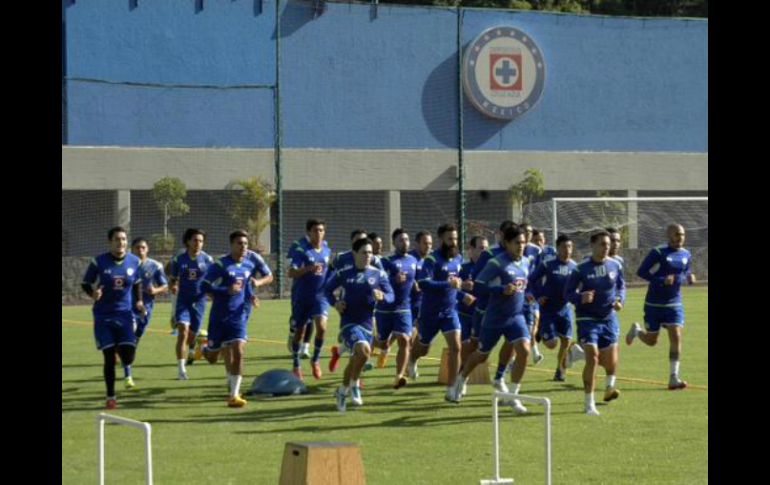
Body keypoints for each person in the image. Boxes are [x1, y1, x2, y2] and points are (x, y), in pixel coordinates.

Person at [449, 226, 531, 414]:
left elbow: (526, 285)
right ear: (507, 243)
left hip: (516, 317)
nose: (521, 246)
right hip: (494, 317)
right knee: (481, 355)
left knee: (524, 351)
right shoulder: (496, 263)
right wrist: (501, 290)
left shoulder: (526, 262)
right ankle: (461, 378)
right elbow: (478, 286)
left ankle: (513, 397)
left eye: (523, 242)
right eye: (517, 243)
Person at [200, 230, 269, 407]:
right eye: (239, 243)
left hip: (238, 316)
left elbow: (245, 285)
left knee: (239, 350)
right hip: (219, 317)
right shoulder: (220, 264)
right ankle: (204, 349)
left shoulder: (248, 264)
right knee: (213, 358)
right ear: (231, 245)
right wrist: (225, 291)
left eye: (245, 243)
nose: (243, 247)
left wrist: (251, 295)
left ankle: (234, 394)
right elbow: (203, 286)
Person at [325, 238, 394, 411]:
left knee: (356, 360)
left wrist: (383, 297)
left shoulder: (378, 274)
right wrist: (335, 303)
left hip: (368, 324)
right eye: (364, 252)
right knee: (363, 352)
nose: (368, 255)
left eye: (370, 252)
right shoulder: (344, 272)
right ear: (354, 253)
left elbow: (391, 295)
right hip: (349, 323)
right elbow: (326, 290)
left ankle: (342, 391)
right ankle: (355, 386)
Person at [81, 226, 145, 409]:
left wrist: (139, 301)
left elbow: (137, 283)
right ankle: (111, 397)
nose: (121, 242)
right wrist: (93, 293)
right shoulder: (99, 261)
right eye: (117, 239)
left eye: (123, 239)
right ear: (110, 242)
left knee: (128, 356)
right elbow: (85, 283)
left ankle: (120, 349)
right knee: (109, 357)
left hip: (125, 314)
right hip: (103, 315)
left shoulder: (134, 261)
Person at [408, 223, 473, 402]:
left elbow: (455, 285)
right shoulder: (432, 259)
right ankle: (412, 359)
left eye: (455, 238)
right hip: (430, 313)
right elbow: (423, 283)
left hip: (450, 311)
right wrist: (448, 284)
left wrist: (463, 293)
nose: (453, 242)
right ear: (441, 239)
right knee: (423, 348)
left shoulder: (458, 258)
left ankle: (451, 389)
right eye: (449, 238)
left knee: (456, 347)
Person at [626, 224, 695, 390]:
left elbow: (685, 271)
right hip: (654, 303)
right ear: (668, 235)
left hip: (674, 303)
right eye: (677, 234)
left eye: (682, 234)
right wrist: (662, 280)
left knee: (676, 335)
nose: (680, 237)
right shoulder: (658, 252)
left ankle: (674, 377)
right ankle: (637, 331)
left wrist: (689, 276)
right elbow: (642, 272)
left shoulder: (686, 254)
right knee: (652, 341)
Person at [565, 231, 625, 416]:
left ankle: (608, 387)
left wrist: (620, 300)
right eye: (602, 244)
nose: (606, 247)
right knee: (593, 359)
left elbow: (621, 286)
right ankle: (589, 403)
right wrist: (580, 297)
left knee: (610, 362)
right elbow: (567, 293)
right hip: (587, 319)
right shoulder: (580, 269)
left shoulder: (615, 264)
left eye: (608, 244)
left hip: (608, 318)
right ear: (592, 245)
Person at [287, 218, 333, 381]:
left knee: (322, 327)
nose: (318, 233)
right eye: (315, 230)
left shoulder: (327, 249)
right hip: (303, 296)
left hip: (321, 297)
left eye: (321, 230)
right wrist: (308, 269)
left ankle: (316, 360)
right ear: (308, 232)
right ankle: (296, 365)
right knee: (299, 333)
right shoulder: (302, 250)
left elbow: (328, 271)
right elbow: (291, 272)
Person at [373, 229, 419, 388]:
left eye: (406, 239)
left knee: (405, 340)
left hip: (404, 308)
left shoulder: (413, 260)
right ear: (394, 243)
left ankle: (399, 376)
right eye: (401, 240)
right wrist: (393, 280)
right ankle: (365, 341)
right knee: (382, 344)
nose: (405, 242)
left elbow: (414, 278)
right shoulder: (386, 261)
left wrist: (415, 284)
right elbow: (378, 282)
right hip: (385, 309)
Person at [528, 234, 577, 382]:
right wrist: (538, 296)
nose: (567, 250)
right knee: (551, 344)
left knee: (566, 341)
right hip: (548, 309)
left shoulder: (575, 267)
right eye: (564, 247)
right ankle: (541, 332)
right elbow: (531, 280)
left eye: (570, 247)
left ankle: (560, 371)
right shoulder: (548, 264)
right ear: (557, 248)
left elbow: (580, 286)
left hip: (565, 309)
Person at [123, 237, 169, 388]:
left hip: (146, 308)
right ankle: (128, 376)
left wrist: (155, 290)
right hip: (128, 306)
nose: (140, 250)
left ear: (147, 249)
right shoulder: (125, 264)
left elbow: (165, 286)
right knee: (130, 336)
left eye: (143, 247)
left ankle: (124, 354)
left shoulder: (155, 266)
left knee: (135, 340)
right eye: (137, 248)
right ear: (132, 250)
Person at [168, 228, 214, 380]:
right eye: (195, 240)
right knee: (183, 331)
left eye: (201, 241)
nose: (198, 243)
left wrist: (214, 293)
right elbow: (173, 279)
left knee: (191, 335)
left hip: (200, 301)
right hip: (183, 300)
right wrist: (173, 286)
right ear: (188, 241)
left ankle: (195, 346)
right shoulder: (179, 260)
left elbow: (213, 279)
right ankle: (181, 371)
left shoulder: (207, 260)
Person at [458, 236, 489, 377]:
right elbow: (451, 289)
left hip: (482, 315)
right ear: (471, 250)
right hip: (464, 315)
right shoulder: (463, 268)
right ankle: (461, 375)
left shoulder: (491, 268)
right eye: (481, 248)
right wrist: (463, 293)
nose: (484, 251)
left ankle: (464, 374)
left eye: (486, 248)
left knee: (480, 349)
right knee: (465, 345)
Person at [405, 230, 433, 378]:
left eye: (430, 243)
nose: (428, 246)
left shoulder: (433, 259)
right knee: (405, 338)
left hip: (426, 305)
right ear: (417, 244)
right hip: (408, 305)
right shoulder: (409, 258)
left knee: (425, 344)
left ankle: (412, 360)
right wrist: (412, 282)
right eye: (425, 243)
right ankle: (406, 367)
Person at [520, 222, 544, 365]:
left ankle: (534, 353)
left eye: (530, 231)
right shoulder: (514, 247)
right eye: (525, 231)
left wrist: (538, 292)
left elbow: (539, 273)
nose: (528, 233)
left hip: (531, 294)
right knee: (522, 328)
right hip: (517, 293)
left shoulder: (536, 250)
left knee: (533, 324)